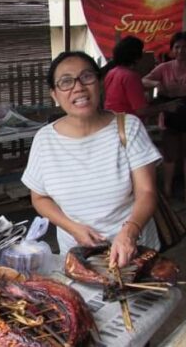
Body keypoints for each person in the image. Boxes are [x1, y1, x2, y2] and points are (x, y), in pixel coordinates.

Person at [21, 51, 162, 268]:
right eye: (66, 82)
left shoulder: (129, 127)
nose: (78, 87)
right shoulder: (45, 140)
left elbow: (147, 191)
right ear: (55, 95)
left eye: (86, 77)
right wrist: (72, 228)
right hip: (79, 257)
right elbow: (39, 198)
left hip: (134, 252)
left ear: (100, 83)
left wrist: (130, 232)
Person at [143, 31, 186, 203]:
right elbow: (143, 81)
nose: (181, 51)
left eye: (185, 47)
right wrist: (157, 83)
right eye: (177, 47)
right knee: (170, 155)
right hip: (170, 117)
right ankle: (167, 190)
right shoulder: (164, 68)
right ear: (172, 50)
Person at [103, 36, 180, 120]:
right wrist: (166, 107)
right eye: (142, 51)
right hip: (127, 124)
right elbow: (141, 111)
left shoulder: (112, 73)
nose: (144, 54)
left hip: (112, 121)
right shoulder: (130, 76)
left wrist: (155, 84)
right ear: (136, 56)